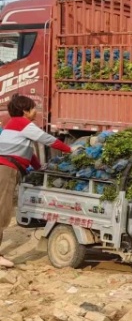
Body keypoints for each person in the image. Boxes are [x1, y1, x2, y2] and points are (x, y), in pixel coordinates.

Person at [0, 94, 72, 268]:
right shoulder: (23, 124)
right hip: (6, 170)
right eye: (33, 109)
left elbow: (27, 151)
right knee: (2, 210)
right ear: (25, 111)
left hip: (6, 167)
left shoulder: (11, 125)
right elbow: (47, 139)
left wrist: (38, 167)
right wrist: (70, 149)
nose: (35, 112)